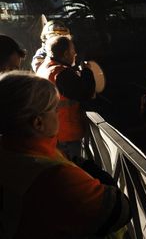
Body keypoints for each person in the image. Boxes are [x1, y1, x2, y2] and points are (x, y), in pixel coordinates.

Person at [0, 71, 131, 239]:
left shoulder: (10, 150)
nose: (58, 114)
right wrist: (94, 172)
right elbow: (121, 211)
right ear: (38, 122)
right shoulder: (56, 178)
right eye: (55, 109)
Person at [36, 36, 95, 160]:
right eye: (73, 51)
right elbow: (85, 93)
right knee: (72, 168)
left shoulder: (45, 68)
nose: (75, 54)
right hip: (66, 135)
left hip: (53, 132)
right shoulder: (61, 73)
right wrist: (87, 72)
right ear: (66, 53)